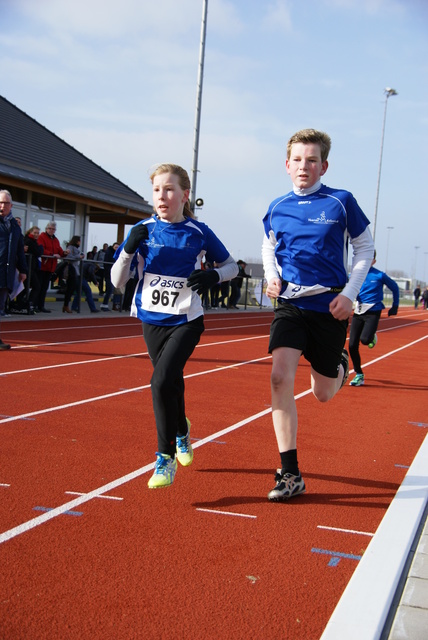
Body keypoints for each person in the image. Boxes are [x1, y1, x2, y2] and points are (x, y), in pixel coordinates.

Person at [262, 128, 374, 502]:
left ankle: (339, 364)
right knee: (280, 378)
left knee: (323, 393)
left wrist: (349, 294)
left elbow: (364, 249)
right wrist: (271, 276)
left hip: (330, 307)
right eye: (297, 159)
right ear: (287, 164)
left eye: (312, 160)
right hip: (291, 306)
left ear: (324, 165)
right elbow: (268, 245)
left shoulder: (341, 202)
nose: (304, 166)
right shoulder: (277, 207)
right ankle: (290, 473)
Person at [111, 163, 238, 489]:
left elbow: (232, 267)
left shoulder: (199, 232)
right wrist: (127, 250)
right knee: (171, 383)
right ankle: (182, 429)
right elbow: (117, 282)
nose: (162, 196)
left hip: (186, 320)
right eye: (156, 190)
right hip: (151, 320)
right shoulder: (141, 230)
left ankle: (164, 458)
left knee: (161, 381)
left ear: (185, 195)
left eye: (169, 189)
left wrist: (213, 275)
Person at [349, 250, 399, 386]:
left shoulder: (379, 275)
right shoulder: (354, 274)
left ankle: (371, 336)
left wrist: (395, 306)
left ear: (373, 261)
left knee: (365, 340)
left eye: (369, 259)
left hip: (373, 311)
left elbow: (395, 287)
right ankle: (359, 374)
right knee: (352, 345)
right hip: (359, 311)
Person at [0, 190, 27, 349]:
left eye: (5, 203)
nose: (2, 206)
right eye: (0, 202)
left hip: (6, 272)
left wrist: (23, 270)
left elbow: (19, 251)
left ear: (11, 205)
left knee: (1, 307)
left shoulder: (15, 227)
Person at [11, 225, 43, 314]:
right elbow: (38, 252)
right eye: (35, 233)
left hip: (32, 268)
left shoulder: (34, 242)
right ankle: (23, 303)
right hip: (27, 267)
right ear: (30, 232)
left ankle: (24, 303)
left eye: (38, 233)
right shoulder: (28, 241)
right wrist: (40, 248)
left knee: (29, 286)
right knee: (33, 286)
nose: (36, 234)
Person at [37, 221, 68, 312]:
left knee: (44, 288)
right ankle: (35, 305)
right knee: (38, 287)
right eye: (50, 228)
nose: (51, 230)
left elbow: (59, 251)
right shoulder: (42, 237)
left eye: (53, 229)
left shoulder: (56, 240)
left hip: (50, 267)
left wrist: (64, 253)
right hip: (42, 266)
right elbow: (41, 249)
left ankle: (41, 306)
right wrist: (52, 254)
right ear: (46, 229)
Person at [62, 235, 84, 313]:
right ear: (77, 241)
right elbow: (69, 257)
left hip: (75, 270)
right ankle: (66, 305)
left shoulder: (76, 249)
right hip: (71, 270)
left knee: (73, 289)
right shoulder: (70, 247)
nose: (80, 243)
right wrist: (79, 256)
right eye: (79, 241)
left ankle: (69, 305)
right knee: (70, 288)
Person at [100, 242, 119, 311]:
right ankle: (104, 304)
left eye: (118, 247)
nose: (117, 248)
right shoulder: (109, 253)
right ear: (113, 247)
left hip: (113, 274)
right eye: (115, 247)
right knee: (109, 289)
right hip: (109, 274)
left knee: (111, 290)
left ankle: (106, 304)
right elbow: (107, 264)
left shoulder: (117, 254)